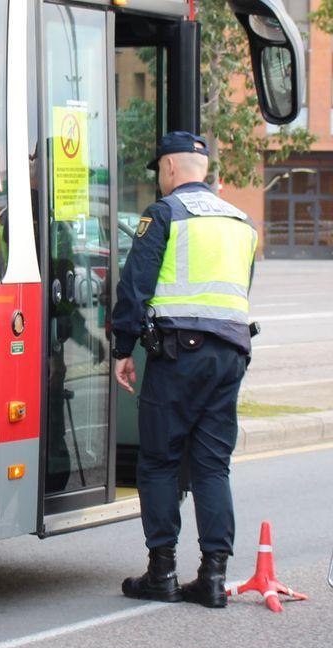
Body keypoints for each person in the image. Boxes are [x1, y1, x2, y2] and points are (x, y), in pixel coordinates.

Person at [111, 131, 258, 608]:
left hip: (179, 355)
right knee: (213, 465)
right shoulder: (242, 221)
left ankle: (162, 572)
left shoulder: (165, 214)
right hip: (231, 355)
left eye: (158, 171)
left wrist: (122, 348)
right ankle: (214, 577)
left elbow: (135, 286)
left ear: (170, 169)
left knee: (158, 462)